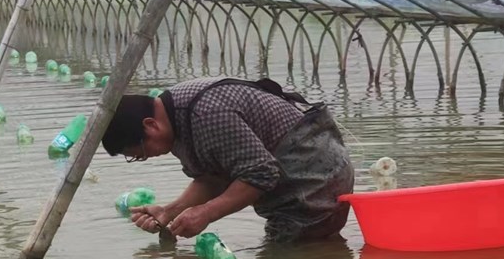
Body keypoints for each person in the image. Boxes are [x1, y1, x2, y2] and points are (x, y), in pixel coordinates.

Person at [101, 77, 355, 242]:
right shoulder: (175, 117)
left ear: (150, 125)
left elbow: (261, 174)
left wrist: (206, 213)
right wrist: (169, 211)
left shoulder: (207, 113)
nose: (146, 158)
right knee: (308, 250)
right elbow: (213, 177)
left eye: (141, 152)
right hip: (297, 175)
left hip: (313, 176)